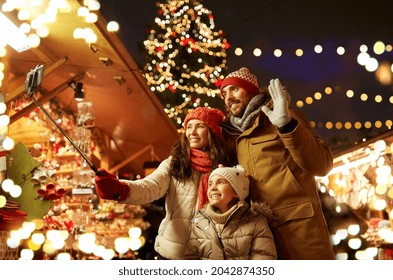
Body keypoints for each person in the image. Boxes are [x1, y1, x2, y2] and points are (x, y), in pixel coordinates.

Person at [219, 67, 335, 260]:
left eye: (234, 89)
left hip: (299, 229)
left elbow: (322, 165)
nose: (228, 97)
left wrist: (286, 125)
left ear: (251, 91)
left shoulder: (282, 116)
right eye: (224, 93)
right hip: (261, 235)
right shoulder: (234, 135)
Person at [93, 107, 236, 260]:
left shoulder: (225, 167)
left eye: (200, 126)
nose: (192, 132)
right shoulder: (174, 163)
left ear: (213, 131)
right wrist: (119, 189)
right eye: (189, 127)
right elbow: (150, 187)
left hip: (211, 254)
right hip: (173, 253)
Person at [185, 165, 277, 260]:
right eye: (210, 184)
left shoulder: (256, 223)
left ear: (236, 192)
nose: (213, 188)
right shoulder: (199, 223)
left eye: (220, 182)